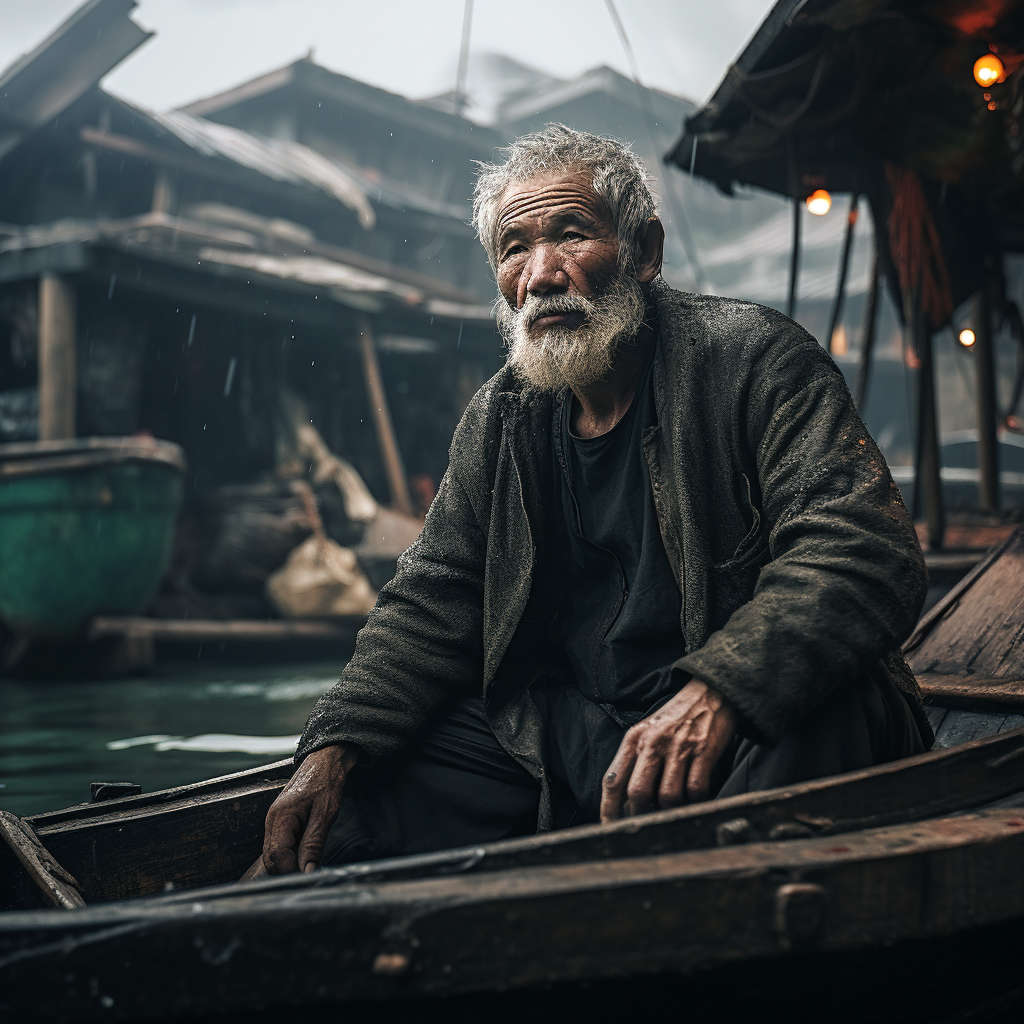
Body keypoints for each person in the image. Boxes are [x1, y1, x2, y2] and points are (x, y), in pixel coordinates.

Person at [259, 125, 930, 875]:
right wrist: (332, 746)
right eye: (515, 249)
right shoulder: (499, 419)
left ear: (644, 253)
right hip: (586, 732)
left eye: (571, 235)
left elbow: (863, 550)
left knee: (819, 715)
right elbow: (432, 598)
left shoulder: (753, 360)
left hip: (741, 716)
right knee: (357, 802)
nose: (541, 273)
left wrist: (721, 690)